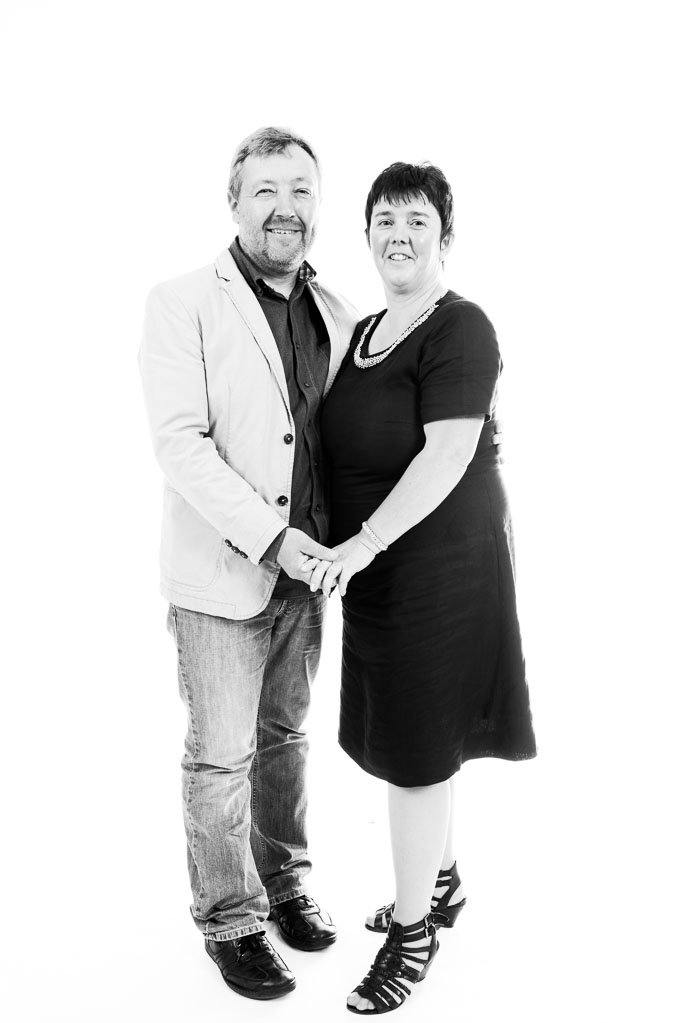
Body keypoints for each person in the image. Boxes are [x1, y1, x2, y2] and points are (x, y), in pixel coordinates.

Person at [138, 127, 358, 1002]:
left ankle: (285, 880)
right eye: (265, 189)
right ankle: (230, 917)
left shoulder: (337, 311)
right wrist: (271, 537)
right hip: (223, 575)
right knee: (221, 755)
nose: (284, 207)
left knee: (284, 739)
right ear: (233, 202)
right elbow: (180, 445)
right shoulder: (182, 301)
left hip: (309, 578)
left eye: (300, 190)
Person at [315, 162, 537, 1014]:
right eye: (384, 219)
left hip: (441, 565)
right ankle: (439, 883)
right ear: (366, 234)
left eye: (416, 220)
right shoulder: (365, 329)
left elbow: (446, 455)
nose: (398, 234)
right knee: (414, 734)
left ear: (445, 236)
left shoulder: (461, 326)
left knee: (414, 752)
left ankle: (413, 935)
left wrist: (362, 543)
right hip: (377, 568)